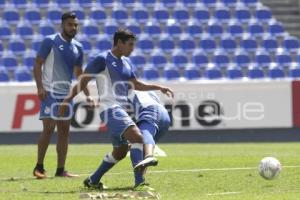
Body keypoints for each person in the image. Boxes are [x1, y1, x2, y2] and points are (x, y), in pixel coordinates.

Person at [58, 28, 173, 190]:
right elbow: (82, 82)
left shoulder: (126, 62)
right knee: (137, 138)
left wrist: (158, 87)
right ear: (119, 43)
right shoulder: (102, 59)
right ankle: (140, 183)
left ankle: (92, 180)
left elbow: (136, 84)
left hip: (121, 111)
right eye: (130, 44)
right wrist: (67, 100)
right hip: (110, 109)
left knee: (120, 151)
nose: (133, 48)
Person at [33, 12, 91, 178]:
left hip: (66, 95)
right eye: (70, 24)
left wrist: (87, 95)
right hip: (50, 92)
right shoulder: (50, 41)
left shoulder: (78, 47)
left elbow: (79, 73)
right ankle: (39, 167)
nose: (74, 28)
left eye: (76, 25)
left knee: (65, 131)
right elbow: (37, 64)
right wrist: (40, 87)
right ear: (63, 25)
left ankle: (60, 170)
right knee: (49, 128)